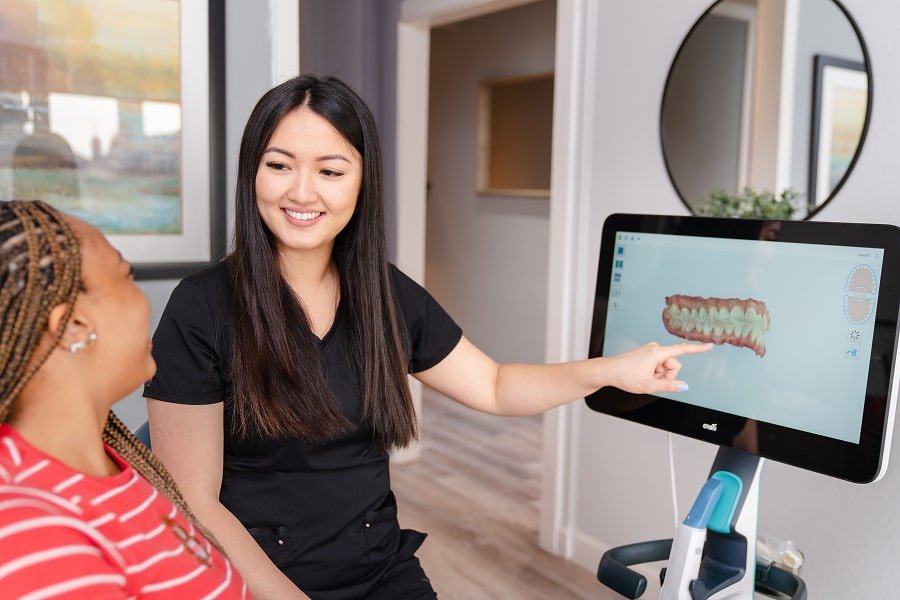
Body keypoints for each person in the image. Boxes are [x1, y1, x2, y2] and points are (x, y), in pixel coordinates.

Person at [144, 75, 711, 600]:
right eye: (279, 165)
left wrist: (610, 370)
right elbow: (194, 500)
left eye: (331, 171)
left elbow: (494, 385)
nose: (302, 192)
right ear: (252, 172)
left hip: (378, 570)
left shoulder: (385, 294)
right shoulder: (202, 308)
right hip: (258, 580)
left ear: (362, 182)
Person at [0, 200, 248, 598]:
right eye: (125, 275)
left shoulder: (118, 460)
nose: (144, 300)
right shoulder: (29, 531)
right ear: (74, 326)